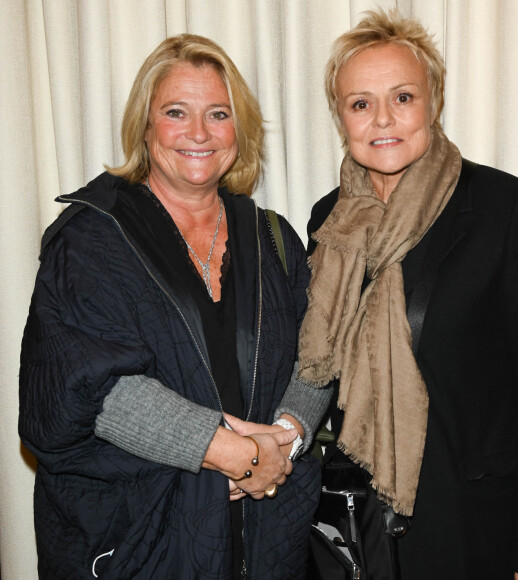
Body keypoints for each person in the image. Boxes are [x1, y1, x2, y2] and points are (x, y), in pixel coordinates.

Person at [19, 34, 331, 580]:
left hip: (265, 545)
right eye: (175, 112)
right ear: (145, 125)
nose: (198, 133)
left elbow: (319, 354)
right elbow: (85, 387)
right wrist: (227, 450)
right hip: (135, 548)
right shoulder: (91, 240)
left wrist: (285, 439)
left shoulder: (273, 239)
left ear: (240, 129)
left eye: (218, 113)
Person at [299, 9, 518, 580]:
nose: (383, 119)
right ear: (341, 118)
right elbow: (321, 372)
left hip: (475, 526)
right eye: (360, 103)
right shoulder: (328, 222)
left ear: (433, 102)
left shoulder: (504, 207)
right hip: (358, 531)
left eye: (402, 97)